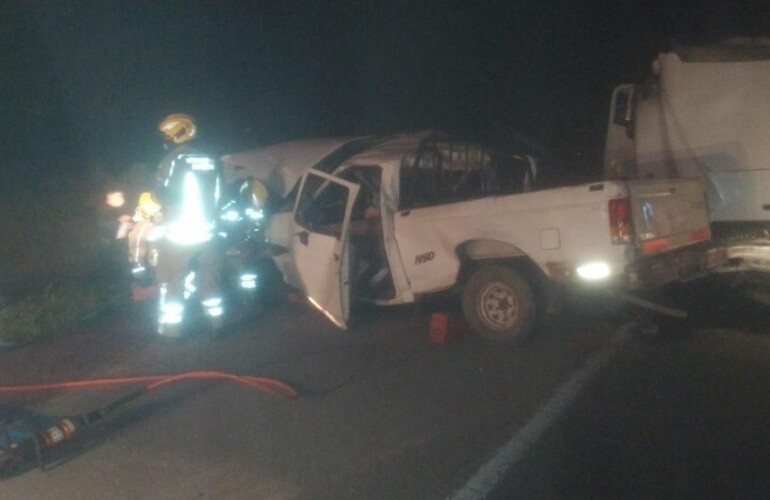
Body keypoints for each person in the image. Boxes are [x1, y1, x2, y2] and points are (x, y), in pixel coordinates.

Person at [152, 113, 226, 338]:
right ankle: (217, 325)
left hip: (180, 235)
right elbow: (218, 196)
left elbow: (160, 195)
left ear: (178, 134)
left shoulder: (173, 160)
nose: (164, 140)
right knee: (209, 280)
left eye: (167, 135)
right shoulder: (211, 160)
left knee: (173, 282)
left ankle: (171, 332)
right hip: (208, 233)